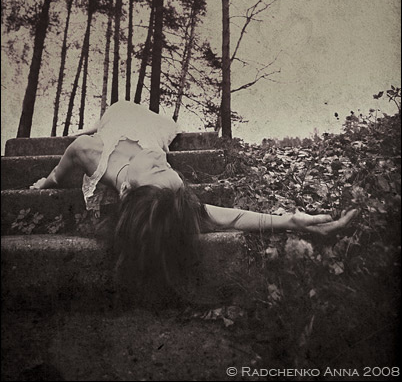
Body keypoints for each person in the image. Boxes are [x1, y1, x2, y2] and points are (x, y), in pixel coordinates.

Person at [30, 101, 357, 294]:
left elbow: (59, 172)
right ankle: (99, 122)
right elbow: (229, 216)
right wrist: (292, 221)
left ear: (126, 189)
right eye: (166, 169)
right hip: (151, 126)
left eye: (157, 168)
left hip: (125, 118)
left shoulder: (88, 150)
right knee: (148, 120)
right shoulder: (162, 191)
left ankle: (98, 124)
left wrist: (47, 182)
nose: (161, 159)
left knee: (116, 114)